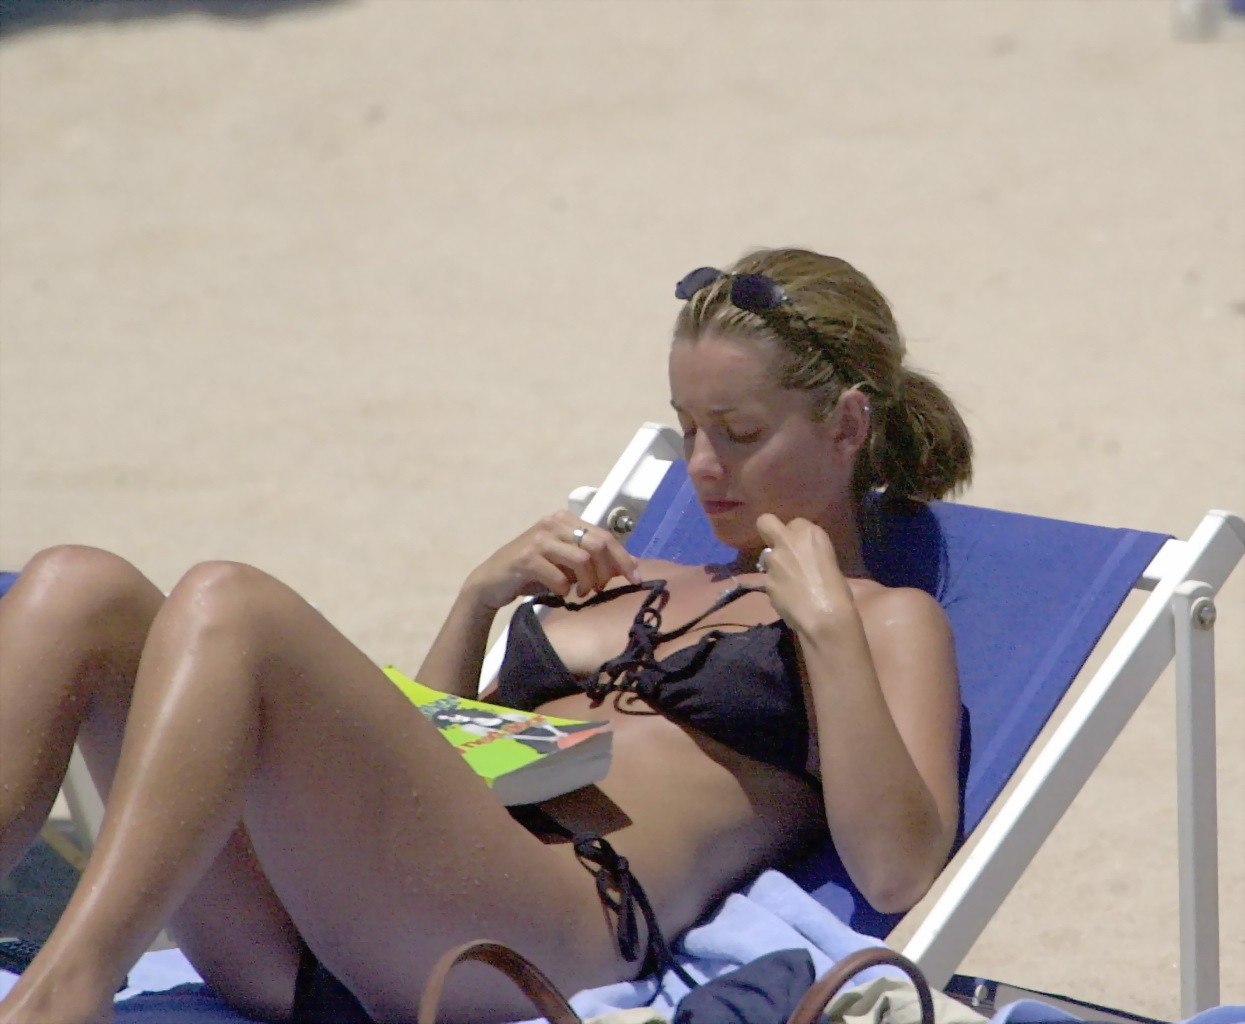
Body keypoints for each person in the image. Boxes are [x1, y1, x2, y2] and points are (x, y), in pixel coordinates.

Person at [0, 247, 972, 1024]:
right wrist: (478, 603)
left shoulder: (886, 620)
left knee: (226, 602)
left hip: (532, 928)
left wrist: (828, 632)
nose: (704, 466)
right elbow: (421, 744)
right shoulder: (637, 571)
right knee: (74, 586)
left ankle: (64, 992)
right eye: (687, 430)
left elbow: (897, 866)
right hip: (356, 921)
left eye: (742, 431)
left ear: (846, 424)